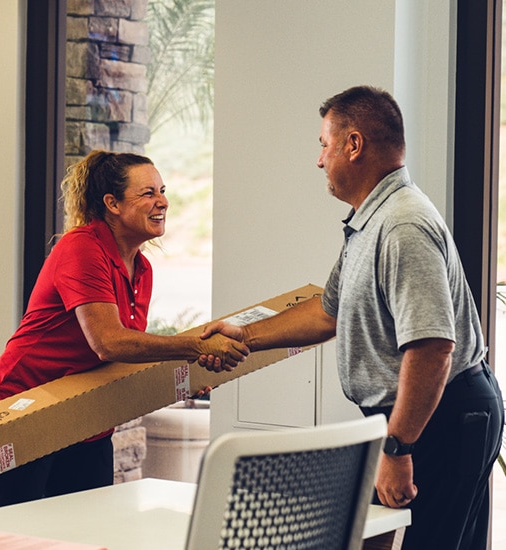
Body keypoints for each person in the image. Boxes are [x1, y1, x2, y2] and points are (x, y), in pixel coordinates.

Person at [199, 86, 504, 549]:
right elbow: (328, 313)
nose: (319, 160)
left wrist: (398, 447)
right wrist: (244, 335)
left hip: (442, 416)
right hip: (412, 416)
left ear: (354, 144)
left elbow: (433, 347)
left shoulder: (402, 224)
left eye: (324, 144)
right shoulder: (369, 220)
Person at [0, 150, 248, 510]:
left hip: (84, 419)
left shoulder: (142, 269)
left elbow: (125, 356)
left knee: (83, 530)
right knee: (12, 533)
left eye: (162, 191)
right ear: (112, 203)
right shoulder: (81, 247)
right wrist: (195, 346)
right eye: (147, 193)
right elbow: (108, 342)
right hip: (22, 409)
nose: (162, 201)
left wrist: (185, 372)